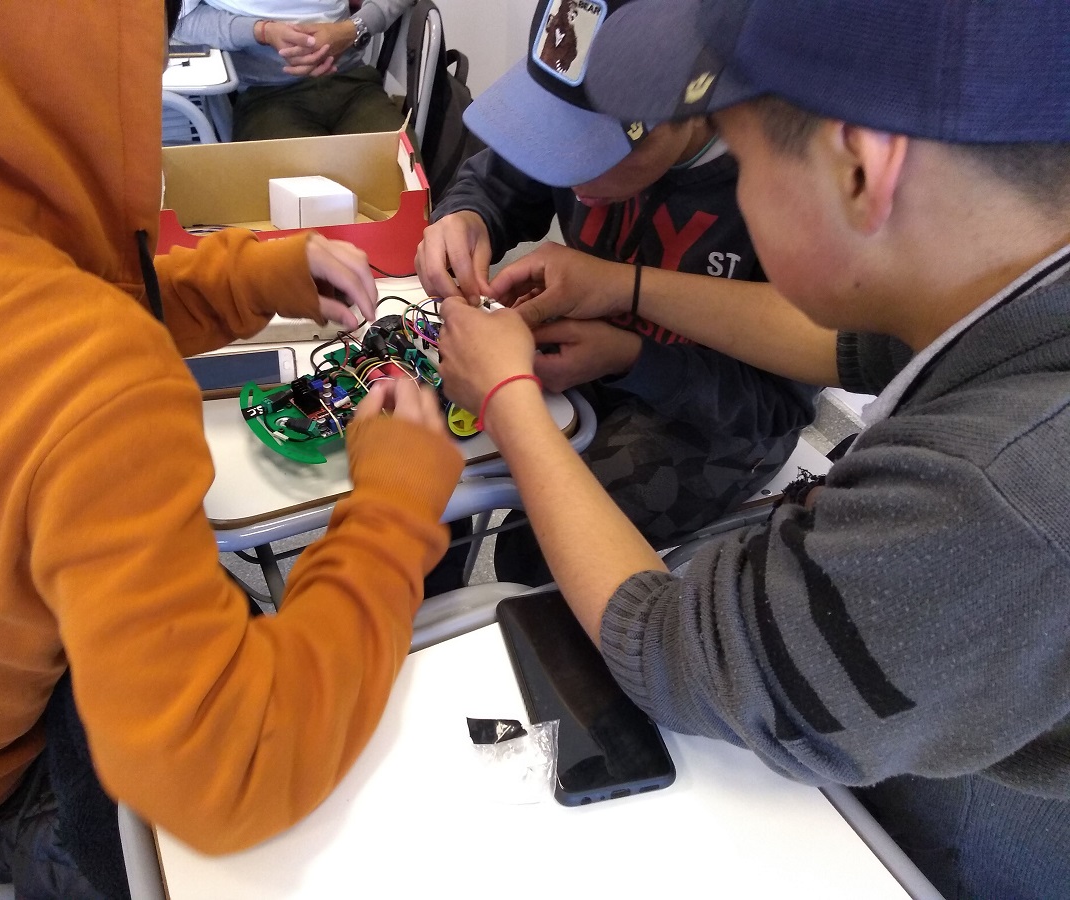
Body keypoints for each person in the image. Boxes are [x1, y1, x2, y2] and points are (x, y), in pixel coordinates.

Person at [435, 0, 1070, 897]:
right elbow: (837, 347)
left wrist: (507, 400)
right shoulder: (1011, 285)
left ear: (859, 167)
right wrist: (625, 284)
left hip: (904, 853)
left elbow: (669, 651)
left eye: (743, 156)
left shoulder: (994, 490)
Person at [0, 0, 462, 894]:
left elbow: (16, 286)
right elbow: (237, 769)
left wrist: (245, 276)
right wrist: (394, 509)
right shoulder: (81, 366)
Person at [416, 0, 817, 587]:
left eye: (593, 154)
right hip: (593, 363)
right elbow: (497, 181)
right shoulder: (583, 103)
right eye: (555, 143)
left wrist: (635, 358)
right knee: (424, 465)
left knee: (542, 546)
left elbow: (776, 405)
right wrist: (466, 217)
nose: (569, 178)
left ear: (692, 114)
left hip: (716, 415)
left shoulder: (784, 190)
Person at [174, 0, 410, 141]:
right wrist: (261, 32)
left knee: (402, 180)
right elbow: (179, 18)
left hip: (352, 80)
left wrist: (352, 30)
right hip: (265, 94)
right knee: (299, 200)